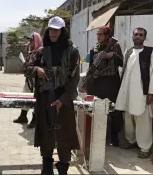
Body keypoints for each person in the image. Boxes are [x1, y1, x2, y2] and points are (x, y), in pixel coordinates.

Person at [24, 16, 80, 175]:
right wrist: (37, 70)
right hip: (45, 99)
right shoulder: (42, 52)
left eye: (57, 30)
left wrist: (62, 100)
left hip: (63, 99)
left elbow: (74, 80)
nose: (53, 33)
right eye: (51, 30)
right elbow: (27, 66)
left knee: (64, 136)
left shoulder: (72, 51)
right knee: (46, 133)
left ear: (63, 31)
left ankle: (63, 168)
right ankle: (46, 167)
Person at [115, 27, 153, 158]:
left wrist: (151, 92)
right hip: (127, 91)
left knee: (143, 120)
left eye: (141, 35)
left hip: (142, 92)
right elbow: (124, 73)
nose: (138, 36)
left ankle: (145, 148)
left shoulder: (151, 52)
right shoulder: (128, 52)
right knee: (128, 118)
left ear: (145, 37)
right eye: (136, 34)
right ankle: (131, 141)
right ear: (132, 36)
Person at [86, 26, 123, 147]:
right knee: (97, 109)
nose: (98, 37)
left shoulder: (115, 47)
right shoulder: (94, 49)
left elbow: (122, 63)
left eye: (101, 34)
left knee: (114, 111)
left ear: (107, 36)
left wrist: (112, 55)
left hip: (111, 83)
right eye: (97, 34)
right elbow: (91, 67)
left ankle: (114, 137)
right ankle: (99, 136)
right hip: (98, 83)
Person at [13, 32, 43, 129]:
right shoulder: (31, 52)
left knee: (36, 99)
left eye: (31, 40)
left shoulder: (40, 53)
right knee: (25, 96)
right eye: (30, 40)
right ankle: (23, 116)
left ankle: (35, 119)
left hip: (37, 81)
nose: (30, 42)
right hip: (29, 80)